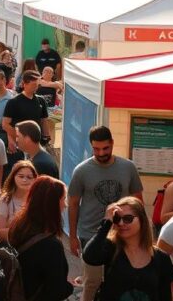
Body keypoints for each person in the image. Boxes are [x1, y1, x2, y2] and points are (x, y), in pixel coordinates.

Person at [69, 126, 144, 301]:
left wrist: (139, 231)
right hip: (91, 234)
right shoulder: (82, 171)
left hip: (122, 233)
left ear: (112, 144)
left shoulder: (128, 167)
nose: (101, 153)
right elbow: (73, 203)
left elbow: (138, 201)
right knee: (92, 282)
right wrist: (73, 236)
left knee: (121, 279)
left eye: (105, 148)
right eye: (96, 149)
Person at [83, 197, 173, 301]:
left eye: (128, 218)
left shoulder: (161, 257)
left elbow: (165, 295)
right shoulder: (110, 248)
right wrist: (107, 222)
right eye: (117, 219)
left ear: (142, 219)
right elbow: (89, 256)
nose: (121, 223)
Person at [6, 176, 74, 301]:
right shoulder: (51, 246)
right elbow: (56, 291)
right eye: (63, 199)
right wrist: (69, 286)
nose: (66, 204)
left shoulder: (18, 226)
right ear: (52, 203)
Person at [0, 160, 37, 243]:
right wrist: (26, 233)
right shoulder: (5, 199)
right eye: (21, 176)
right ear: (13, 177)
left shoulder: (37, 199)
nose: (25, 180)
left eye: (29, 177)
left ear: (35, 179)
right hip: (14, 248)